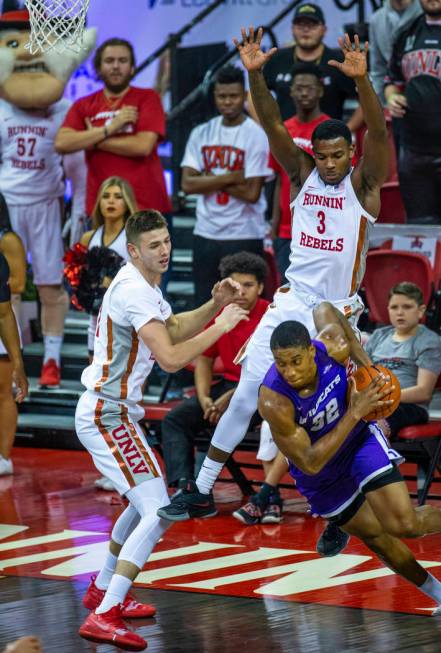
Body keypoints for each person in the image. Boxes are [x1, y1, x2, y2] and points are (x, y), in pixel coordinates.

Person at [156, 28, 390, 528]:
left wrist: (364, 82)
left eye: (337, 156)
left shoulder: (364, 186)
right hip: (291, 302)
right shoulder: (301, 173)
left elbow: (381, 133)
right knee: (246, 393)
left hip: (336, 313)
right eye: (322, 156)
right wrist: (256, 74)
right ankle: (199, 489)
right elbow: (269, 125)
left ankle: (344, 505)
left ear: (351, 152)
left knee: (333, 410)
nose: (328, 165)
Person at [76, 209, 247, 650]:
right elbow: (171, 358)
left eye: (167, 241)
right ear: (133, 251)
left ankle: (102, 589)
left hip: (117, 413)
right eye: (154, 245)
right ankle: (104, 612)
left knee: (144, 504)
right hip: (106, 415)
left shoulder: (144, 284)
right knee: (157, 510)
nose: (165, 249)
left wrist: (214, 306)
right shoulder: (134, 289)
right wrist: (222, 325)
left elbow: (170, 326)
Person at [257, 304, 441, 616]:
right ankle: (437, 593)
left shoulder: (333, 346)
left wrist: (369, 371)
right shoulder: (274, 399)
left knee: (404, 524)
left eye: (296, 361)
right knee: (378, 539)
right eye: (281, 364)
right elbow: (311, 462)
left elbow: (325, 308)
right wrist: (356, 410)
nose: (289, 371)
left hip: (359, 442)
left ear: (311, 352)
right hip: (320, 472)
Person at [0, 8, 92, 387]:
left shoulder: (64, 109)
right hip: (6, 206)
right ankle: (15, 352)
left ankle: (51, 360)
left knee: (52, 285)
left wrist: (82, 211)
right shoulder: (1, 108)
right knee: (12, 286)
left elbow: (77, 169)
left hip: (47, 202)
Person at [161, 251, 269, 488]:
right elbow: (205, 360)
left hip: (262, 392)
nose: (241, 291)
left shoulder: (271, 315)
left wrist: (229, 399)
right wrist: (204, 398)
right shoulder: (221, 314)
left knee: (229, 417)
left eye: (249, 285)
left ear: (260, 287)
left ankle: (262, 494)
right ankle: (184, 486)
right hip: (226, 388)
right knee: (174, 420)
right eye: (236, 285)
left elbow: (272, 372)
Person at [181, 64, 271, 303]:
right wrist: (231, 176)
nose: (228, 102)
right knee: (205, 304)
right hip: (206, 233)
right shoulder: (201, 132)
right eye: (222, 96)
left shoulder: (256, 135)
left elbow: (252, 192)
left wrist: (208, 178)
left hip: (245, 233)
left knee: (243, 306)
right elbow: (187, 184)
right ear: (214, 97)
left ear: (243, 96)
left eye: (233, 96)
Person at [55, 37, 171, 219]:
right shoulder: (83, 105)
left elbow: (142, 146)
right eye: (109, 61)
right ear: (98, 68)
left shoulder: (148, 98)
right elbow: (62, 143)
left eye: (123, 61)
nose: (116, 66)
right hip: (101, 209)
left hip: (146, 207)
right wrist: (109, 128)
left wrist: (92, 139)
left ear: (132, 67)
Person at [78, 176, 137, 493]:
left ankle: (125, 462)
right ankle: (109, 463)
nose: (111, 202)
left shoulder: (134, 235)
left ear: (127, 201)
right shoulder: (90, 236)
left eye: (118, 196)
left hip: (123, 323)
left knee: (119, 391)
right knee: (98, 387)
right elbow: (80, 278)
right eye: (106, 196)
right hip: (95, 320)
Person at [247, 3, 362, 132]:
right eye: (300, 25)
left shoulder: (338, 62)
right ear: (292, 29)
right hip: (285, 142)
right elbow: (253, 94)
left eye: (312, 25)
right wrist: (268, 131)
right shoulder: (278, 58)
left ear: (324, 30)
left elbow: (364, 99)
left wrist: (346, 131)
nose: (306, 29)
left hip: (326, 145)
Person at [269, 62, 330, 281]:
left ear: (320, 91)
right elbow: (278, 179)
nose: (304, 93)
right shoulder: (283, 130)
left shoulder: (332, 130)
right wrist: (275, 226)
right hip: (287, 231)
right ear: (291, 91)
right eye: (299, 88)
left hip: (320, 231)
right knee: (289, 295)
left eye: (310, 88)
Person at [385, 0, 441, 224]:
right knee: (420, 228)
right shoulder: (406, 33)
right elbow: (392, 80)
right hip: (414, 151)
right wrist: (391, 97)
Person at [365, 282, 441, 438]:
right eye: (394, 307)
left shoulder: (429, 341)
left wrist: (384, 398)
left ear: (421, 311)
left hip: (409, 407)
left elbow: (424, 392)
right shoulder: (378, 336)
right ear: (388, 310)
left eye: (407, 307)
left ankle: (379, 455)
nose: (400, 313)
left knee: (377, 420)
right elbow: (363, 374)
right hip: (373, 402)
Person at [0, 193, 26, 475]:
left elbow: (5, 311)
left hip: (3, 320)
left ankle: (3, 457)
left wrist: (18, 362)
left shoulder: (7, 240)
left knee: (3, 393)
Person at [369, 0, 422, 103]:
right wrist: (379, 107)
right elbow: (378, 70)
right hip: (392, 98)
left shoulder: (429, 13)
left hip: (427, 96)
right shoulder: (376, 19)